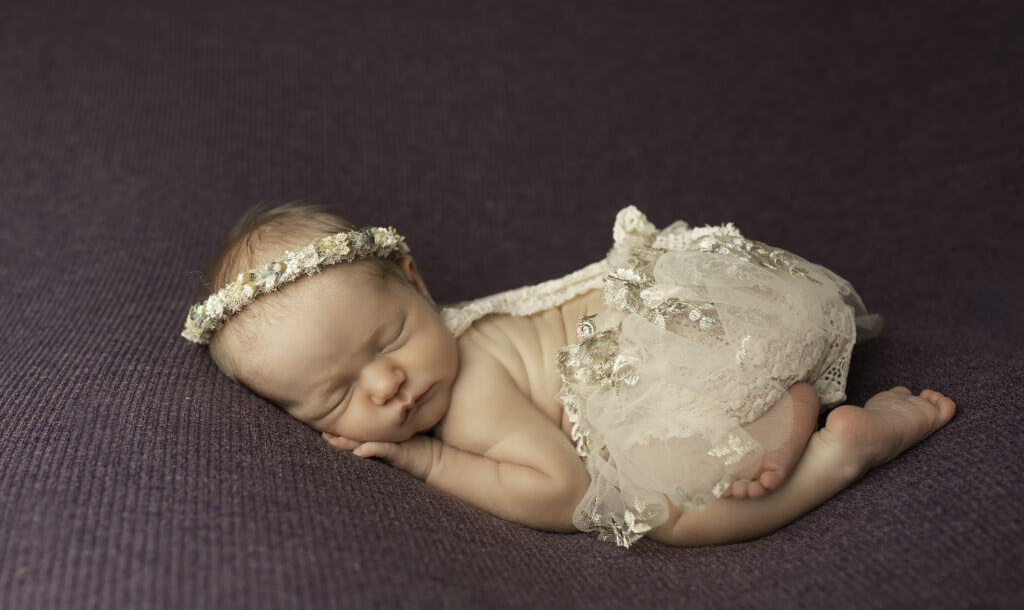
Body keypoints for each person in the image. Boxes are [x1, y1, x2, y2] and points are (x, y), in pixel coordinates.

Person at [182, 203, 955, 548]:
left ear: (416, 283)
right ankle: (777, 404)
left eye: (389, 339)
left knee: (671, 516)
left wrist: (431, 459)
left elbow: (563, 491)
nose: (387, 383)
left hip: (680, 341)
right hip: (725, 319)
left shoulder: (472, 391)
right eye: (339, 394)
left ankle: (840, 450)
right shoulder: (461, 342)